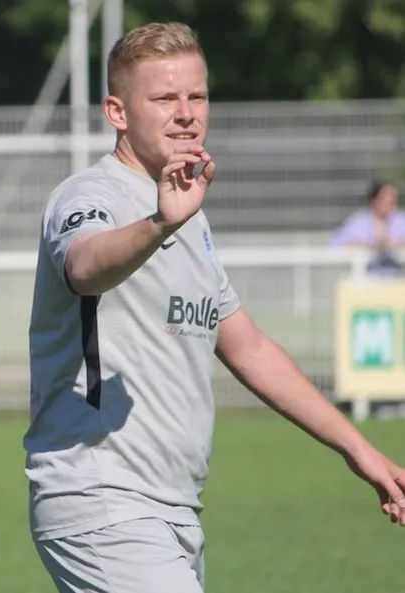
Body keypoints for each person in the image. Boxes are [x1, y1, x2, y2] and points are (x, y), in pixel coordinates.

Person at [24, 22, 405, 593]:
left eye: (196, 96)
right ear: (117, 112)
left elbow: (248, 348)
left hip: (174, 508)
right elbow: (84, 267)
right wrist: (159, 224)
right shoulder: (91, 196)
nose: (186, 113)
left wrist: (357, 448)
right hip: (101, 498)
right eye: (164, 98)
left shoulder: (190, 213)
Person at [331, 180, 405, 276]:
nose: (391, 202)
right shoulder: (358, 222)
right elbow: (336, 246)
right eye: (386, 198)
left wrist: (396, 245)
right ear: (374, 200)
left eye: (393, 199)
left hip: (397, 280)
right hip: (366, 281)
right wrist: (371, 248)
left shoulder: (400, 220)